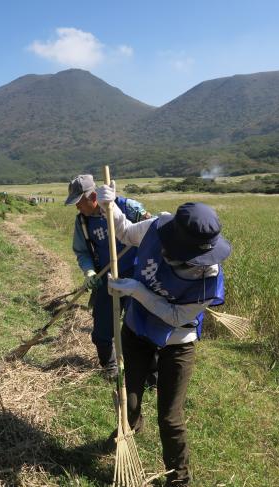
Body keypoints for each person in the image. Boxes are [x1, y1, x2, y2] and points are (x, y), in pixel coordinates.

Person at [97, 182, 231, 487]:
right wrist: (110, 206)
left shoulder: (209, 280)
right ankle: (128, 429)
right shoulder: (157, 227)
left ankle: (179, 478)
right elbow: (126, 232)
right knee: (128, 398)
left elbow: (174, 316)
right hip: (136, 330)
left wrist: (138, 291)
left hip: (177, 344)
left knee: (170, 417)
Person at [65, 174, 150, 379]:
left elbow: (153, 229)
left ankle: (148, 372)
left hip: (137, 276)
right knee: (102, 328)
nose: (78, 208)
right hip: (107, 277)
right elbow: (83, 252)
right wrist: (89, 271)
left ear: (93, 196)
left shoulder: (126, 206)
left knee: (141, 326)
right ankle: (110, 366)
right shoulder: (83, 222)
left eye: (79, 202)